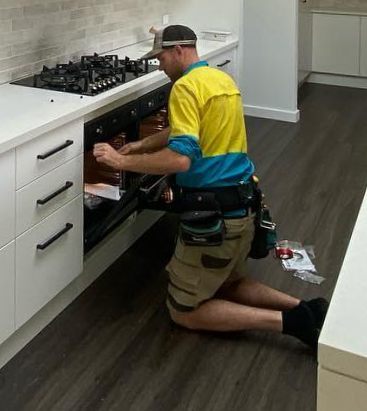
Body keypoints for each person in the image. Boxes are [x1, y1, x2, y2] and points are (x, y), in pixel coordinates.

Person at [93, 24, 328, 350]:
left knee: (184, 311)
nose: (160, 66)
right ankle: (307, 307)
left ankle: (291, 323)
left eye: (161, 58)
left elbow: (180, 160)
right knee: (230, 283)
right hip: (245, 204)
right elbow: (184, 132)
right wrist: (140, 146)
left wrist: (121, 163)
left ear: (178, 51)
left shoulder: (185, 88)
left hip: (216, 216)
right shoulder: (220, 80)